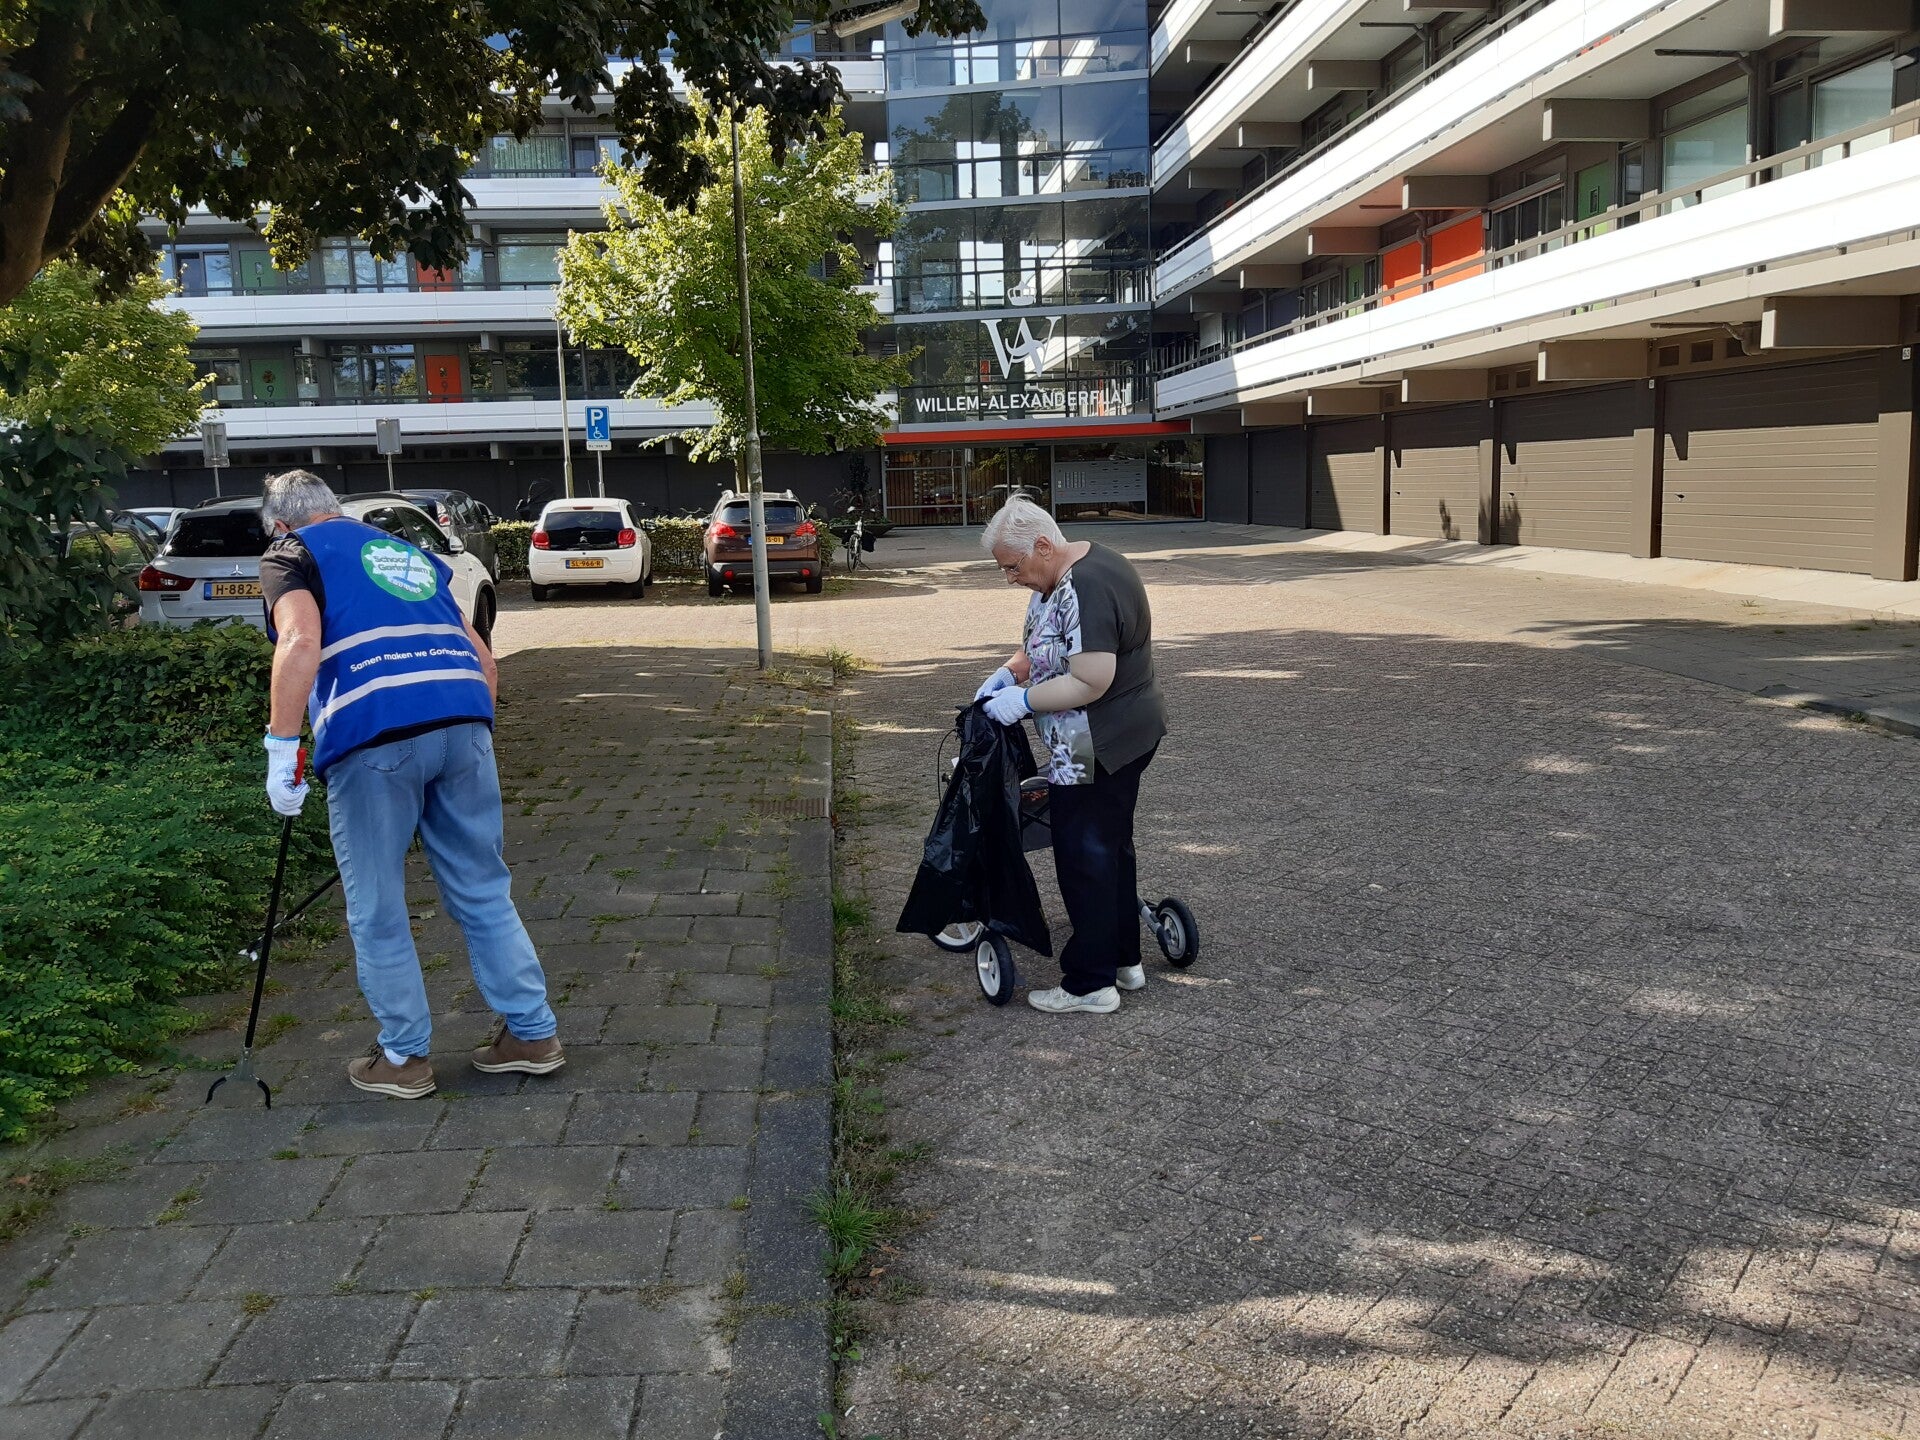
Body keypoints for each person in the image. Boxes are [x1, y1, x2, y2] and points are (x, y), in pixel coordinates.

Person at [258, 470, 562, 1098]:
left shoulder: (291, 553)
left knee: (377, 906)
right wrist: (473, 738)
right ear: (334, 509)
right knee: (483, 888)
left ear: (282, 524)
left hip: (374, 737)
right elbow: (482, 657)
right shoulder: (404, 551)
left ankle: (404, 1058)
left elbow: (299, 638)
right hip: (464, 722)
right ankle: (532, 1034)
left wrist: (282, 748)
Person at [975, 497, 1167, 1016]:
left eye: (1012, 567)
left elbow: (1091, 679)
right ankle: (1123, 961)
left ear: (1042, 545)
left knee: (1085, 858)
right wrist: (1010, 673)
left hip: (1098, 743)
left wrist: (1023, 701)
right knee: (1109, 849)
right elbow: (1041, 645)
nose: (1010, 578)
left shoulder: (1086, 586)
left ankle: (1089, 984)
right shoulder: (1060, 576)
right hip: (1101, 738)